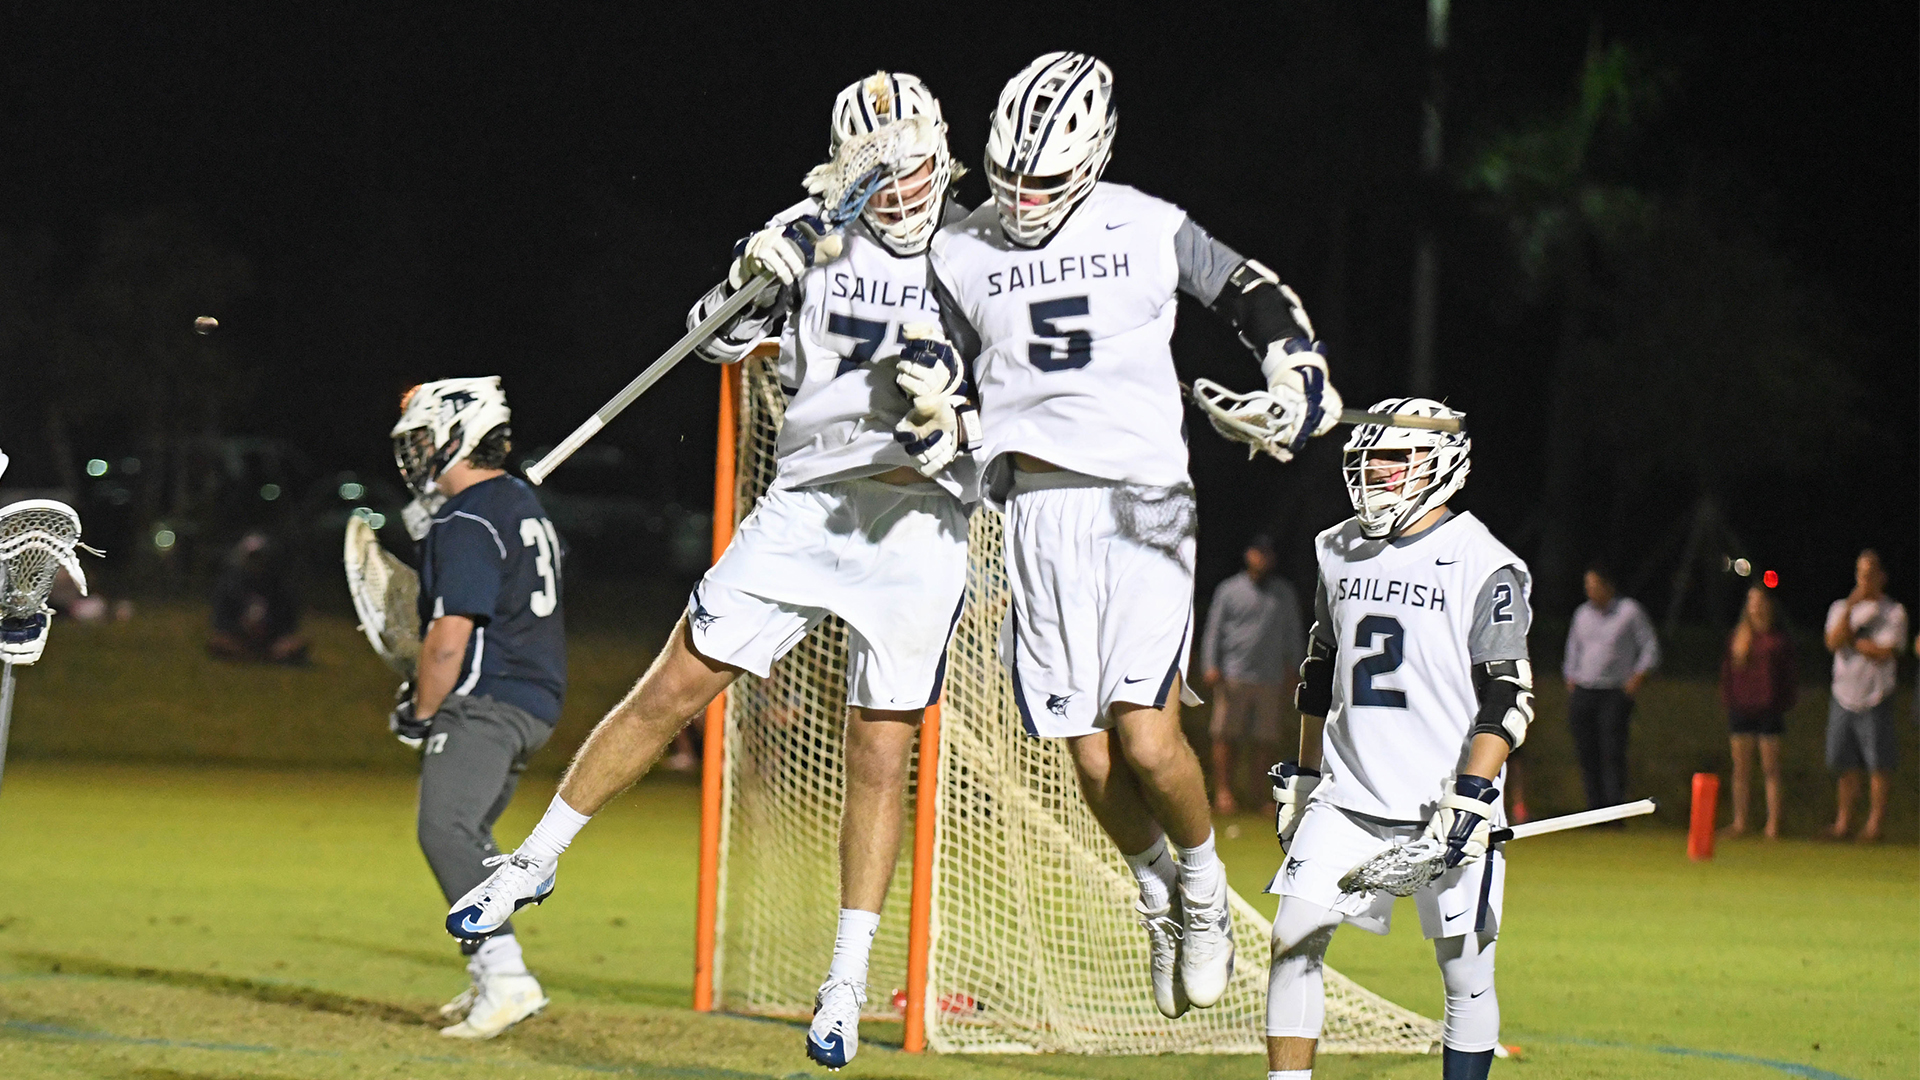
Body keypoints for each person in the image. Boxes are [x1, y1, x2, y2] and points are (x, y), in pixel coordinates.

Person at [448, 73, 971, 1070]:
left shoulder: (987, 253)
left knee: (881, 748)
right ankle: (533, 862)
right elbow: (716, 338)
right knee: (669, 690)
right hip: (810, 504)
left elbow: (1027, 400)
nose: (901, 183)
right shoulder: (813, 229)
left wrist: (962, 424)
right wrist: (748, 274)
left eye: (913, 157)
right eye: (879, 164)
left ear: (941, 148)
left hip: (918, 523)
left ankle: (846, 980)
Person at [925, 52, 1344, 1020]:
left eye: (1043, 180)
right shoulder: (963, 246)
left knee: (1149, 741)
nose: (1022, 199)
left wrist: (1296, 370)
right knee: (1089, 757)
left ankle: (1204, 896)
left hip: (1142, 500)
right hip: (1033, 509)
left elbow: (1249, 288)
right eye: (1011, 178)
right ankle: (1158, 889)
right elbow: (927, 350)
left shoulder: (1146, 226)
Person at [1267, 398, 1530, 1080]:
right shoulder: (1336, 546)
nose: (1375, 472)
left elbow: (1509, 696)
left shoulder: (1484, 562)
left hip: (1445, 804)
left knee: (1466, 973)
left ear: (1440, 461)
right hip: (1348, 797)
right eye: (1369, 459)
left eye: (1392, 458)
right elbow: (1318, 674)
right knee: (1292, 941)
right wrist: (1303, 776)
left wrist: (1472, 797)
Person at [386, 377, 568, 1039]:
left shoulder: (465, 518)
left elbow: (451, 634)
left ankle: (506, 976)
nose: (414, 458)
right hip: (534, 699)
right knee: (471, 837)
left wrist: (419, 712)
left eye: (423, 441)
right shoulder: (515, 500)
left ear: (455, 436)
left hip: (486, 699)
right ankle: (491, 970)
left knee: (445, 830)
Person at [1200, 534, 1304, 815]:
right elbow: (1214, 629)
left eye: (1267, 554)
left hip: (1269, 678)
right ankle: (1224, 793)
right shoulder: (1230, 589)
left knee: (1265, 740)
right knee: (1225, 737)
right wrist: (1211, 664)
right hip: (1233, 675)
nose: (1262, 558)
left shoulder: (1283, 592)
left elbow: (1293, 633)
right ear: (1248, 555)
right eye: (1257, 552)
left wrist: (1295, 668)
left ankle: (1260, 796)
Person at [1822, 549, 1907, 842]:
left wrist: (1854, 642)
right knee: (1843, 762)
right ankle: (1843, 823)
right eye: (1860, 574)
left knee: (1878, 765)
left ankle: (1874, 826)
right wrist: (1849, 611)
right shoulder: (1840, 608)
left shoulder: (1893, 612)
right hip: (1843, 695)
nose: (1865, 580)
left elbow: (1885, 652)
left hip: (1875, 697)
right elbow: (1833, 641)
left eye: (1871, 574)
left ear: (1882, 577)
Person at [1561, 564, 1659, 811]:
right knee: (1586, 752)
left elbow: (1649, 647)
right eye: (1587, 586)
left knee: (1612, 752)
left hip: (1614, 692)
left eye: (1595, 586)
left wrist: (1637, 677)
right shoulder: (1582, 614)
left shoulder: (1629, 612)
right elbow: (1573, 648)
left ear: (1608, 586)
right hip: (1584, 690)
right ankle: (1593, 809)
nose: (1590, 591)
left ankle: (1614, 811)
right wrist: (1570, 676)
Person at [1718, 585, 1796, 838]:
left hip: (1769, 710)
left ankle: (1773, 824)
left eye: (1760, 601)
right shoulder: (1738, 637)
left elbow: (1788, 678)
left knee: (1771, 769)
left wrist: (1781, 703)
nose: (1756, 606)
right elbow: (1728, 674)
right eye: (1751, 601)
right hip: (1741, 708)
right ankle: (1740, 822)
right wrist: (1729, 700)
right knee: (1740, 770)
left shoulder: (1778, 640)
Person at [207, 532, 308, 663]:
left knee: (293, 646)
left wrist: (267, 628)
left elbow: (288, 623)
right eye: (252, 557)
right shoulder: (229, 587)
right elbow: (221, 621)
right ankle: (256, 656)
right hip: (239, 638)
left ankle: (259, 656)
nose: (256, 562)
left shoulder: (280, 588)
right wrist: (241, 627)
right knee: (219, 643)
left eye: (260, 557)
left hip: (271, 640)